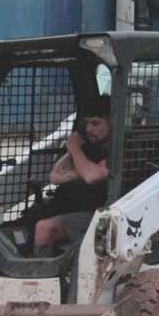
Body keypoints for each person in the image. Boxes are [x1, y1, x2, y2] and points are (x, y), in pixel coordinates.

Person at [33, 96, 112, 256]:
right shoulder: (92, 149)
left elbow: (92, 176)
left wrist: (74, 147)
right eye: (87, 124)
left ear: (111, 123)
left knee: (44, 228)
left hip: (110, 217)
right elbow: (56, 176)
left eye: (96, 123)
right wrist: (76, 157)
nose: (89, 129)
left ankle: (42, 276)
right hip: (85, 210)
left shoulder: (119, 148)